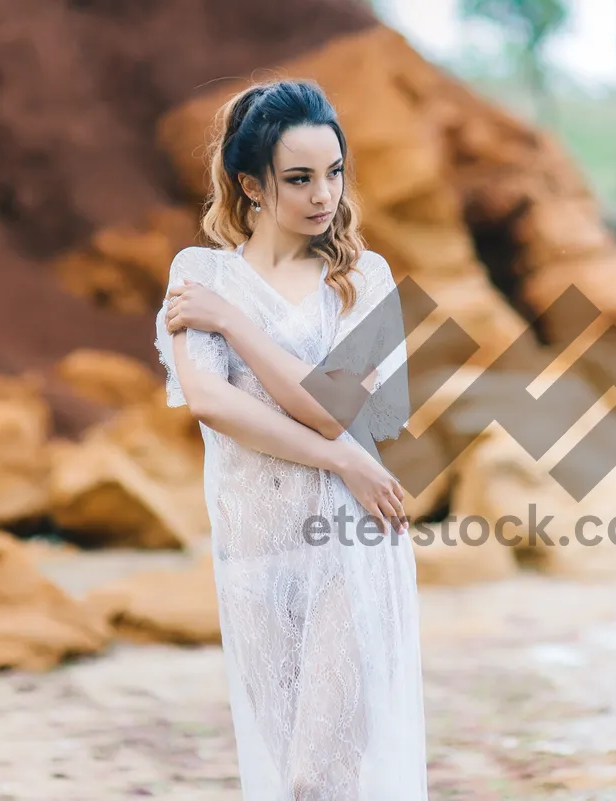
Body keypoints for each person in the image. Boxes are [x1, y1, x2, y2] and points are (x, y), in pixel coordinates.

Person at [153, 78, 428, 801]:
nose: (323, 195)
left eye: (334, 173)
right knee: (286, 778)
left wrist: (235, 324)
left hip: (349, 545)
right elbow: (213, 402)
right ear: (251, 183)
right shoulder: (199, 274)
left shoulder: (362, 279)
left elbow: (336, 405)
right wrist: (340, 458)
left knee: (318, 776)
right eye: (299, 177)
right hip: (251, 552)